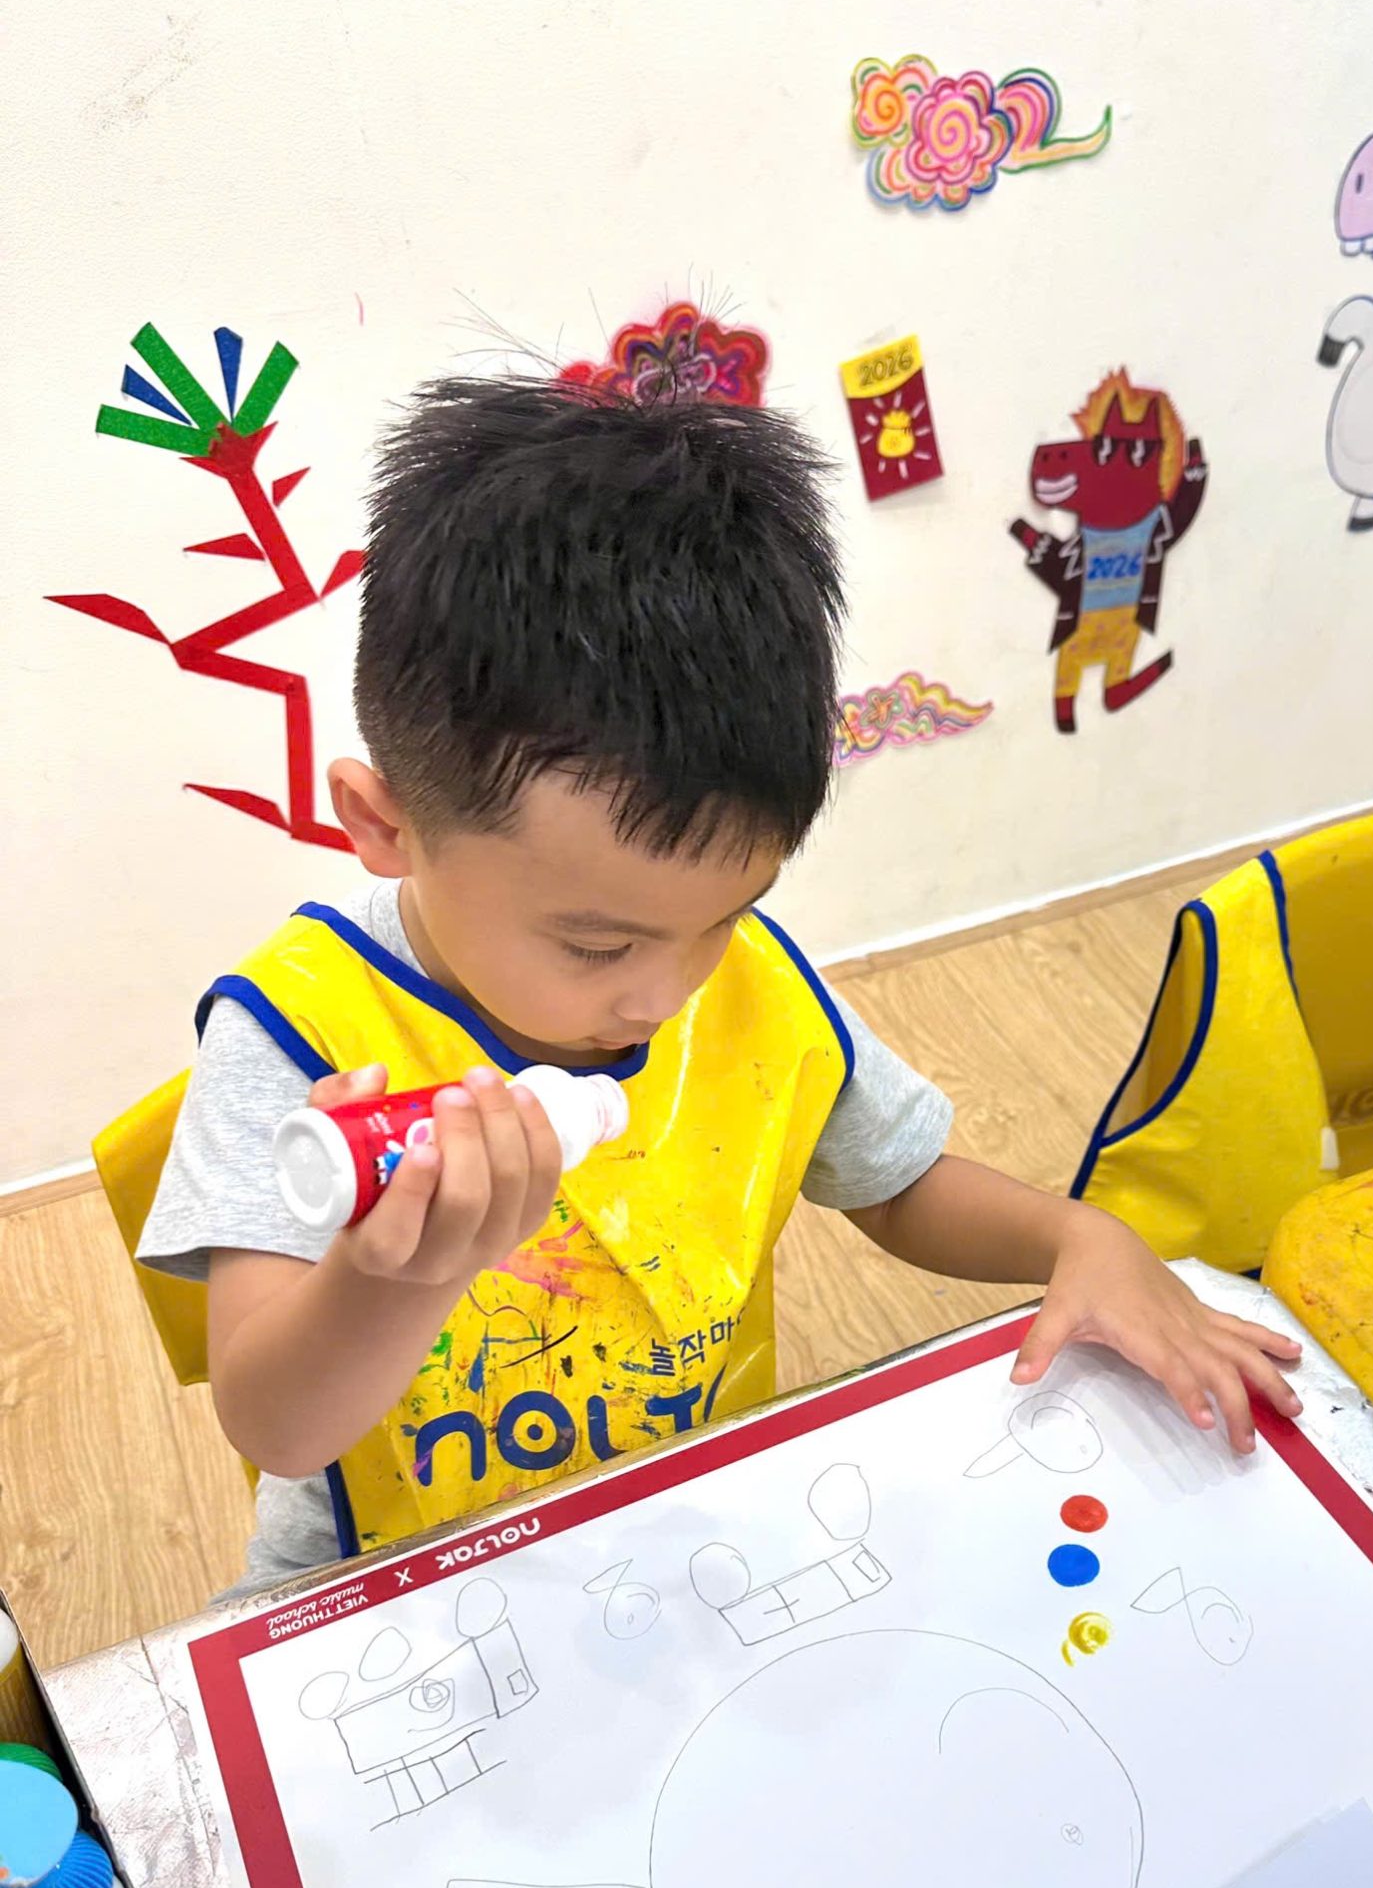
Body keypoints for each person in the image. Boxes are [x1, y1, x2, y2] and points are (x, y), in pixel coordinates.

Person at [139, 376, 1300, 1591]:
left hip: (681, 1527)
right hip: (390, 1577)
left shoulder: (746, 983)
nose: (669, 992)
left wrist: (1079, 1235)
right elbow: (276, 1427)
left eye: (726, 917)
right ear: (385, 826)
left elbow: (896, 1183)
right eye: (598, 946)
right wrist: (396, 1279)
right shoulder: (295, 1036)